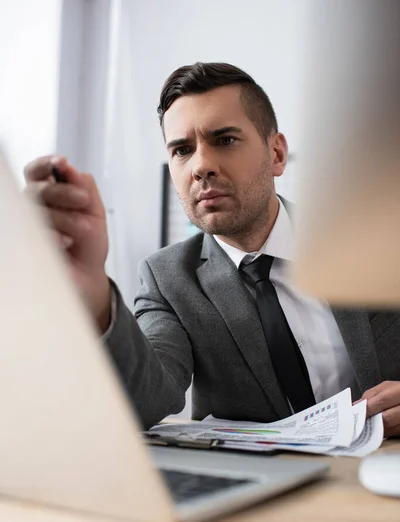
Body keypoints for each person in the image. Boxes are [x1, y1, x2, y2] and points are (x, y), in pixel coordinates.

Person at [24, 62, 400, 436]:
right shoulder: (166, 279)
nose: (201, 165)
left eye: (225, 140)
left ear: (277, 154)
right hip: (266, 488)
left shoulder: (368, 244)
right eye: (183, 150)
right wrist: (91, 288)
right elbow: (144, 401)